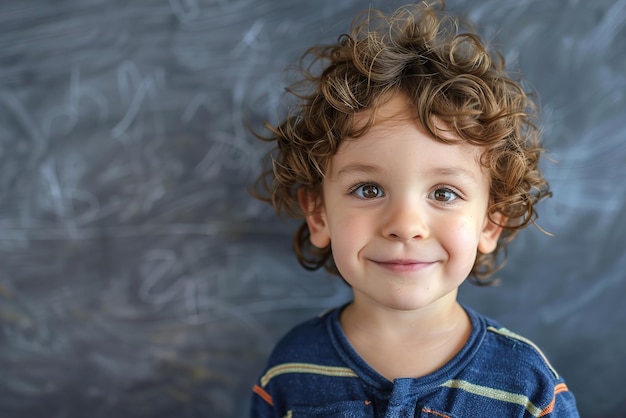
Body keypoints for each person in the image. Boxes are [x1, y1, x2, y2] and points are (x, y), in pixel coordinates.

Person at [249, 1, 580, 416]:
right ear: (318, 215)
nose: (405, 226)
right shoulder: (290, 369)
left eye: (444, 193)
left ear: (491, 221)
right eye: (368, 189)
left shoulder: (527, 387)